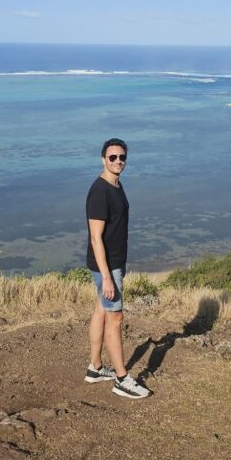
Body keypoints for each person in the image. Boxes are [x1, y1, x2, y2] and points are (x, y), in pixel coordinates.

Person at [84, 137, 150, 399]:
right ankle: (122, 379)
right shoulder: (100, 191)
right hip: (106, 266)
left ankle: (95, 367)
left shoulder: (116, 185)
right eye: (113, 157)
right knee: (116, 318)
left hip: (113, 264)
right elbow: (95, 238)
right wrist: (108, 277)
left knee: (101, 310)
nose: (118, 161)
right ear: (103, 159)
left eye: (122, 157)